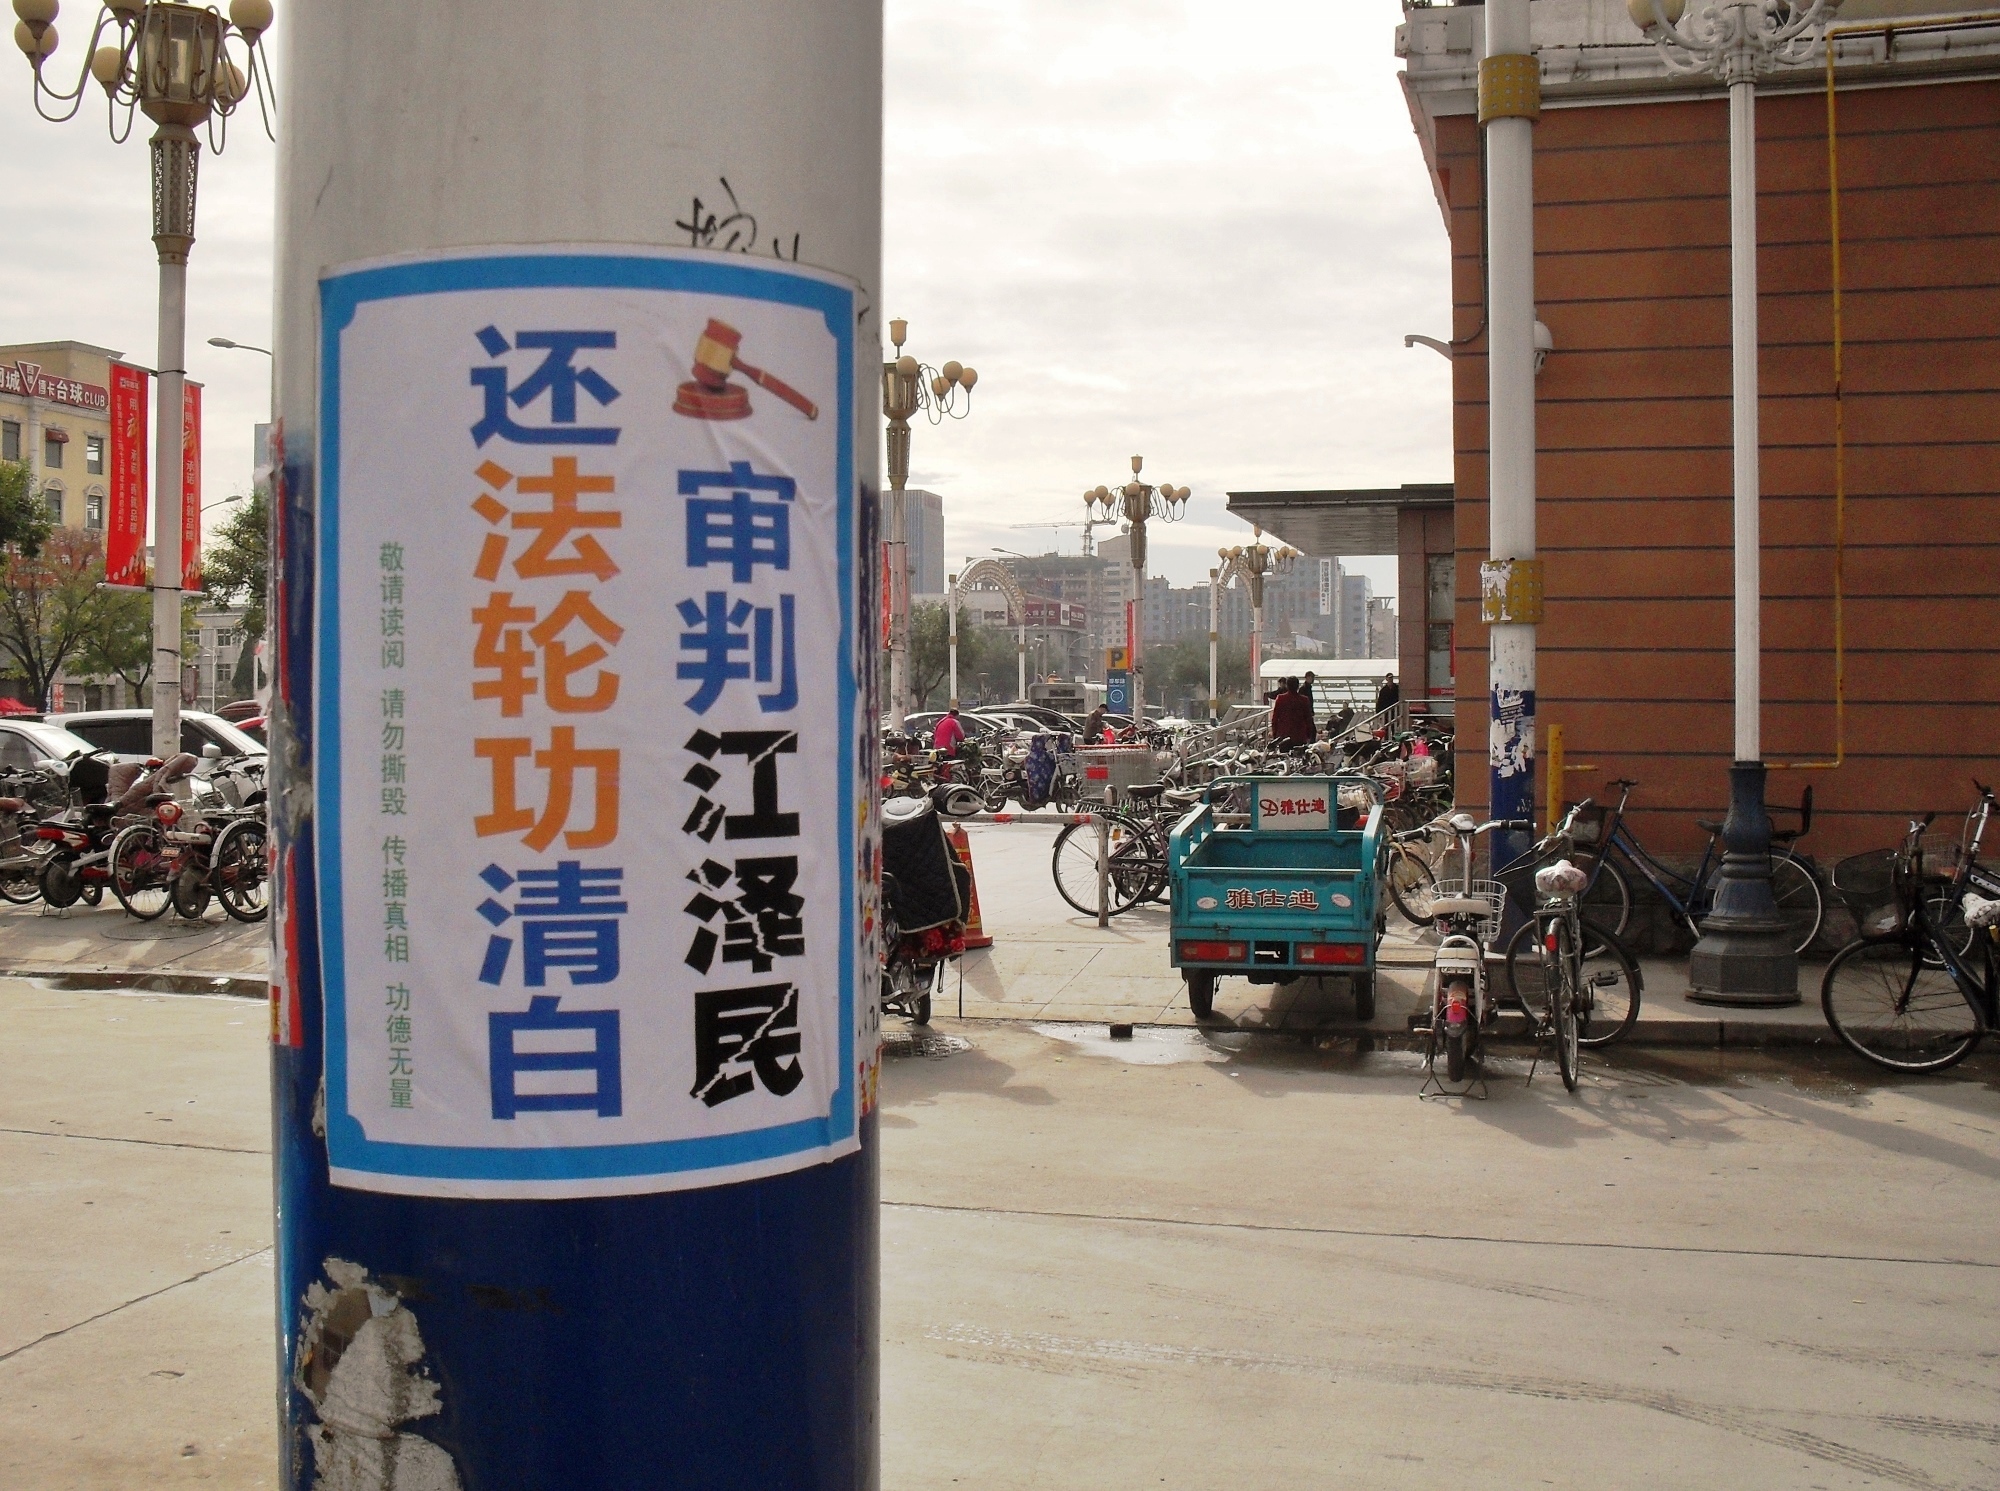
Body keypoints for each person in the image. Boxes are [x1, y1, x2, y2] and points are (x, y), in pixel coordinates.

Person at [1270, 676, 1314, 747]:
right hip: (1300, 735)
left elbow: (1275, 718)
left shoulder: (1280, 698)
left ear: (1287, 686)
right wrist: (1308, 735)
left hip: (1283, 735)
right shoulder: (1304, 700)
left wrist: (1275, 734)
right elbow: (1308, 719)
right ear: (1298, 686)